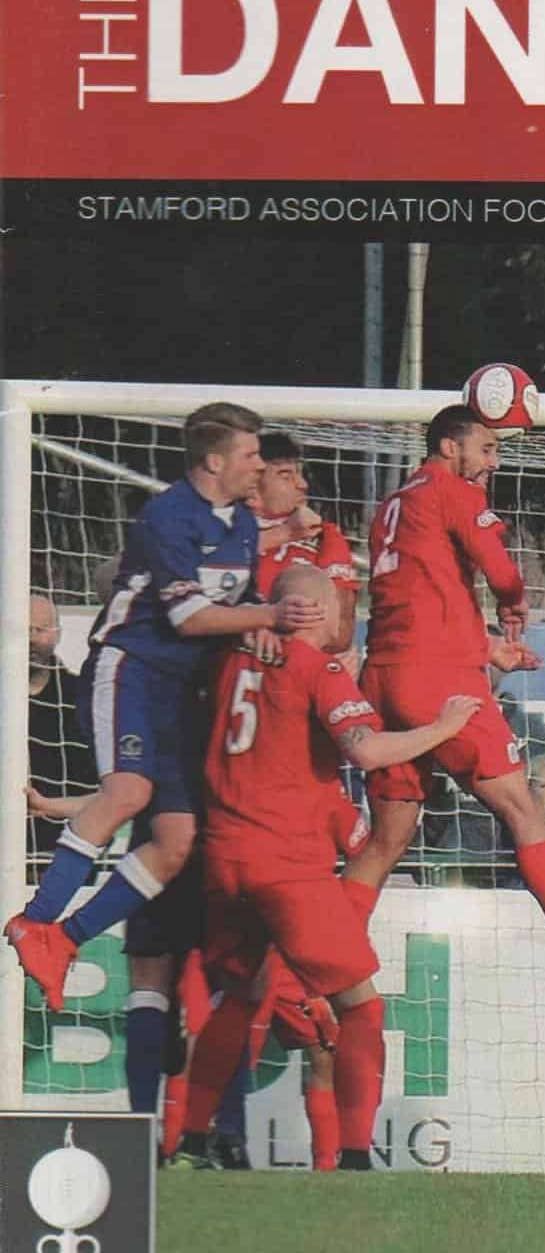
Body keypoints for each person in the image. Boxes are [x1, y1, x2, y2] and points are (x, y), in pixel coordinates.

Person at [172, 565, 481, 1174]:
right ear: (318, 611)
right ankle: (356, 1153)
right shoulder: (317, 669)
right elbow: (367, 749)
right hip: (286, 866)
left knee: (240, 997)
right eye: (341, 604)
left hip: (224, 859)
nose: (348, 613)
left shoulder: (231, 659)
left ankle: (189, 1140)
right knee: (361, 1007)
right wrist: (443, 727)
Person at [6, 403, 316, 1010]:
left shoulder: (241, 523)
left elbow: (237, 600)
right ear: (215, 461)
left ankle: (64, 939)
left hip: (180, 691)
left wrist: (261, 626)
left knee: (176, 840)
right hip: (131, 671)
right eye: (251, 455)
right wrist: (269, 614)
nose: (259, 466)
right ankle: (35, 919)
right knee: (127, 793)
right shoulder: (168, 515)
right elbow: (188, 616)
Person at [344, 403, 545, 1004]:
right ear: (451, 447)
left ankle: (323, 962)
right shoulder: (453, 490)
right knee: (525, 812)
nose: (492, 463)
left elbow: (421, 596)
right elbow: (501, 571)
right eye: (487, 449)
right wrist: (512, 602)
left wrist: (485, 647)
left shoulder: (393, 504)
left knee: (387, 839)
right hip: (439, 683)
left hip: (383, 675)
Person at [253, 429, 359, 654]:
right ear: (252, 483)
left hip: (295, 665)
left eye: (300, 474)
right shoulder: (223, 531)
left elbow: (339, 634)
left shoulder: (323, 536)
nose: (302, 484)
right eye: (285, 475)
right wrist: (284, 533)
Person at [25, 592, 97, 873]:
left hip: (67, 852)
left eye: (40, 629)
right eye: (24, 629)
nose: (31, 638)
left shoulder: (81, 697)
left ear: (57, 634)